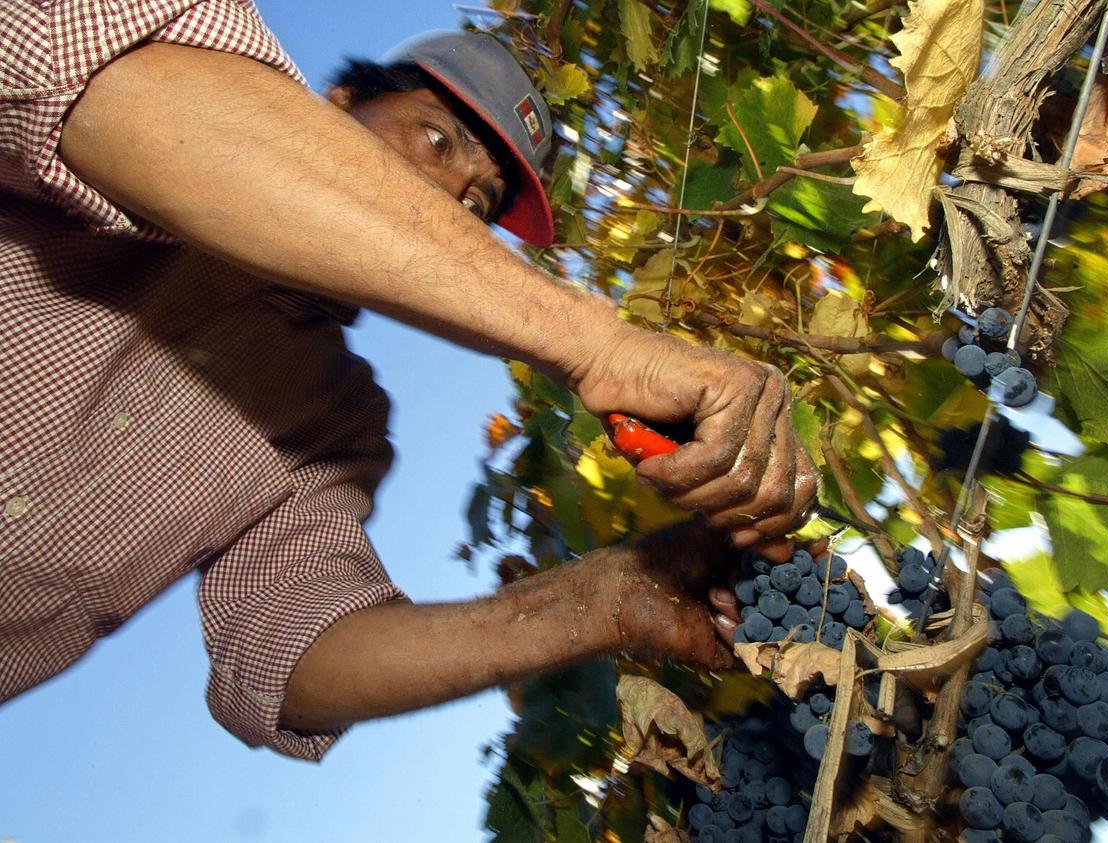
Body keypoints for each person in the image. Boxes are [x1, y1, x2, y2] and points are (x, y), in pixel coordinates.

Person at [0, 1, 818, 761]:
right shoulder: (176, 80)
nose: (447, 199)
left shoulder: (335, 422)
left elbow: (290, 655)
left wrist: (607, 596)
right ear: (341, 96)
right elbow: (80, 67)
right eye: (436, 140)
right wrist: (595, 341)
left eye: (476, 205)